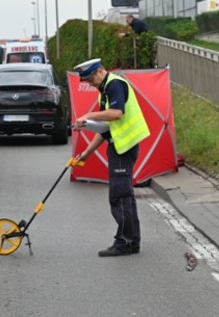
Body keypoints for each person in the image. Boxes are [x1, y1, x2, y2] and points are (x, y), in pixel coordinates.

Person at [73, 58, 151, 257]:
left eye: (91, 79)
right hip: (119, 145)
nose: (90, 84)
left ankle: (125, 242)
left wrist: (88, 116)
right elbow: (106, 129)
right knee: (125, 195)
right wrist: (87, 153)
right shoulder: (106, 90)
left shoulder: (115, 84)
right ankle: (131, 240)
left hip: (124, 147)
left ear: (100, 71)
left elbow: (116, 113)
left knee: (120, 195)